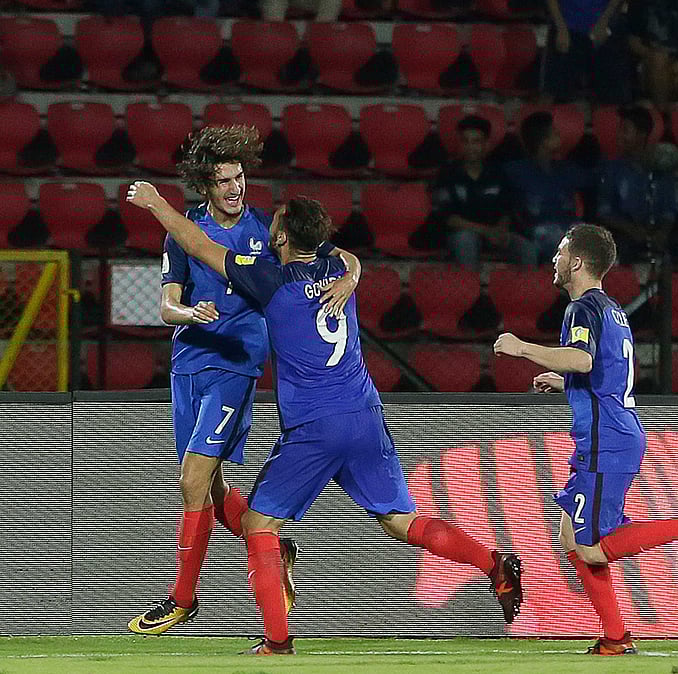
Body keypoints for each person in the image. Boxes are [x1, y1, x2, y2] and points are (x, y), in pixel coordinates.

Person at [127, 185, 525, 655]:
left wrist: (155, 204)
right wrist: (354, 272)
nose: (270, 228)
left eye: (276, 223)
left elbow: (196, 243)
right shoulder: (337, 268)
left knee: (258, 525)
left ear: (284, 238)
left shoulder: (270, 279)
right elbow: (348, 256)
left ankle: (276, 642)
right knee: (401, 521)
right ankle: (492, 563)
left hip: (315, 427)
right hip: (364, 415)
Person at [127, 125, 361, 635]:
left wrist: (351, 276)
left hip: (236, 368)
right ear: (205, 187)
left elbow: (335, 256)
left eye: (240, 177)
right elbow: (166, 304)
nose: (236, 188)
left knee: (190, 481)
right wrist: (189, 312)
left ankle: (182, 599)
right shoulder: (181, 232)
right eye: (224, 181)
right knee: (210, 487)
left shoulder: (266, 231)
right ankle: (277, 549)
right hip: (189, 365)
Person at [492, 224, 678, 655]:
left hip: (608, 442)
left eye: (561, 252)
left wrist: (523, 347)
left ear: (579, 262)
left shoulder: (582, 308)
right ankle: (615, 637)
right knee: (573, 539)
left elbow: (583, 359)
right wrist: (565, 383)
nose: (554, 258)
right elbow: (605, 371)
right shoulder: (612, 310)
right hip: (609, 437)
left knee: (591, 548)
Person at [431, 115, 535, 269]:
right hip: (463, 234)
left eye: (476, 142)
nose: (470, 147)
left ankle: (526, 292)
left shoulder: (497, 173)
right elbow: (449, 219)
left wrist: (501, 229)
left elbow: (507, 208)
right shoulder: (448, 174)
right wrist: (486, 231)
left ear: (486, 144)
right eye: (466, 141)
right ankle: (468, 291)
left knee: (527, 248)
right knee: (465, 241)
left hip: (494, 233)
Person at [594, 105, 678, 262]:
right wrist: (632, 230)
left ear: (641, 135)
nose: (619, 135)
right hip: (624, 234)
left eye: (625, 130)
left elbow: (670, 209)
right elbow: (604, 212)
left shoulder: (662, 169)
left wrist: (662, 232)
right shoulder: (612, 170)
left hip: (656, 232)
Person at [504, 112, 592, 263]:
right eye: (555, 133)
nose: (559, 136)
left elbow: (590, 182)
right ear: (543, 140)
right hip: (537, 231)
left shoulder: (567, 169)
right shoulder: (516, 171)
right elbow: (514, 211)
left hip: (569, 226)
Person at [544, 0, 633, 104]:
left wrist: (604, 21)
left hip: (604, 26)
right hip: (567, 27)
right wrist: (561, 28)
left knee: (614, 95)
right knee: (554, 92)